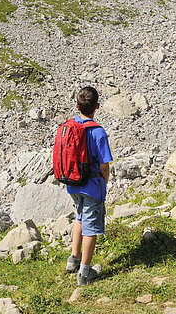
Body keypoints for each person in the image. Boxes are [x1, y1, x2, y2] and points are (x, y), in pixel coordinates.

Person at [65, 86, 112, 286]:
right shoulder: (98, 132)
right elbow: (104, 165)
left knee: (80, 217)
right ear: (97, 106)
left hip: (73, 183)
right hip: (92, 185)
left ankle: (73, 259)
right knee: (91, 227)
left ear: (77, 106)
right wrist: (105, 182)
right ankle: (85, 273)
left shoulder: (69, 126)